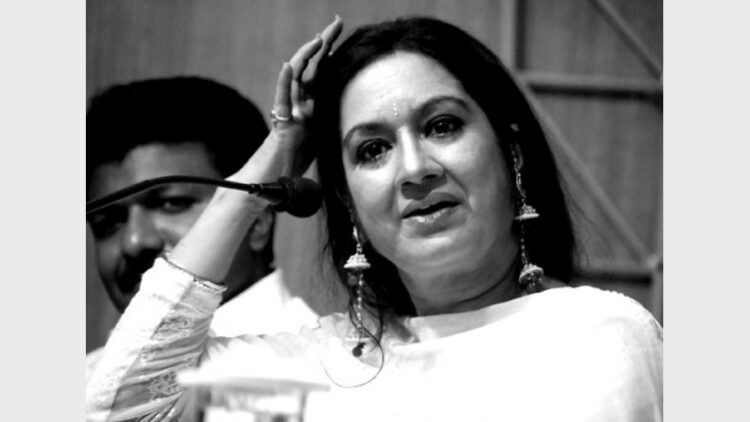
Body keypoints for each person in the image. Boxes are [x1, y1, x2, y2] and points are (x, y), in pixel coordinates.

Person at [86, 16, 662, 422]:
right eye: (372, 150)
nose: (413, 169)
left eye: (442, 126)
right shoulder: (320, 368)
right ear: (348, 199)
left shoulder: (598, 336)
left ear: (509, 151)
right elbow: (127, 403)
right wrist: (276, 157)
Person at [86, 77, 320, 376]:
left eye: (172, 203)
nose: (134, 240)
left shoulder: (322, 369)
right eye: (107, 222)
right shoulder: (89, 377)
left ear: (258, 219)